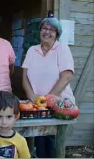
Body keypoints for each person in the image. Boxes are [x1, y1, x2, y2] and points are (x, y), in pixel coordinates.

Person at [22, 15, 75, 158]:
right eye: (44, 28)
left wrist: (48, 98)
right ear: (40, 31)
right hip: (38, 105)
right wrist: (31, 96)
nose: (47, 32)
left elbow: (66, 77)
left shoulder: (62, 49)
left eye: (52, 30)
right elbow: (24, 77)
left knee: (52, 142)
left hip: (58, 104)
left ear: (57, 34)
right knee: (39, 139)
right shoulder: (32, 50)